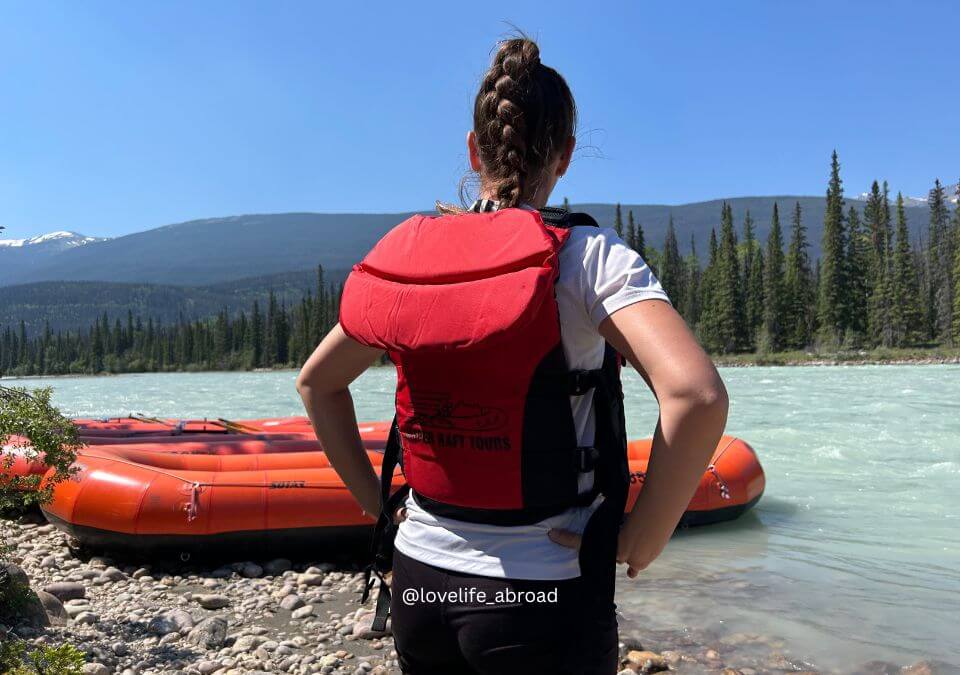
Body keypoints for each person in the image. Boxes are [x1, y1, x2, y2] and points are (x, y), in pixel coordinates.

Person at [296, 36, 728, 675]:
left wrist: (377, 507)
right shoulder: (586, 258)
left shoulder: (418, 266)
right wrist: (645, 534)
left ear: (473, 151)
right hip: (542, 590)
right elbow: (696, 396)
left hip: (421, 579)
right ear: (566, 156)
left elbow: (316, 384)